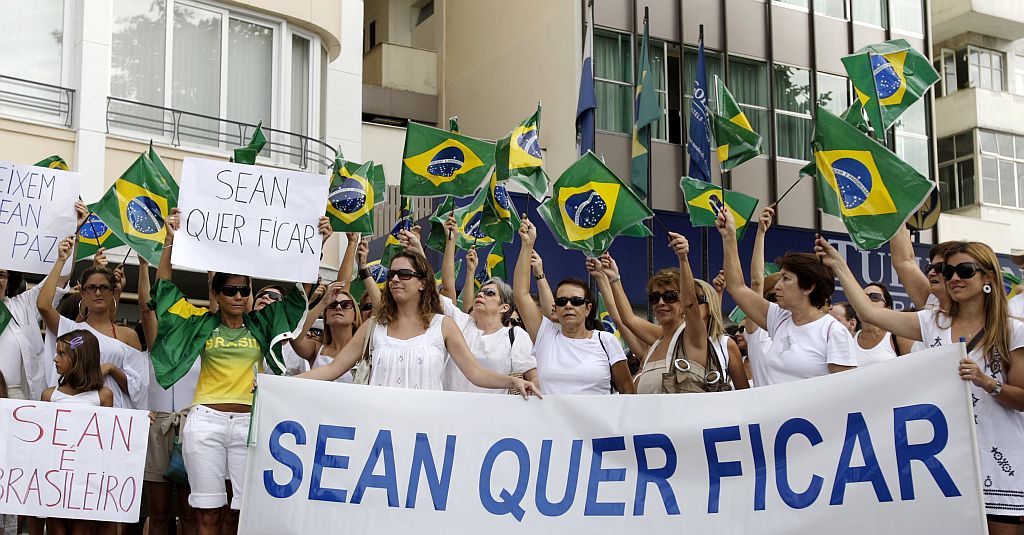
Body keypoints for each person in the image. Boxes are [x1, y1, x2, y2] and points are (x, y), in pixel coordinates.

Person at [817, 238, 1024, 533]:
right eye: (946, 271)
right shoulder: (932, 323)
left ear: (988, 277)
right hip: (946, 461)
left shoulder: (1013, 331)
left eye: (965, 270)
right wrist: (839, 265)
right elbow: (871, 314)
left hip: (1000, 463)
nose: (953, 278)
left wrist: (986, 382)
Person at [150, 208, 314, 535]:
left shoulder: (263, 323)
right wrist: (169, 239)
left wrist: (314, 246)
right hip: (204, 423)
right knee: (206, 516)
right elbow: (164, 294)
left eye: (245, 290)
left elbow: (300, 299)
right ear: (216, 293)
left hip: (249, 424)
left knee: (242, 515)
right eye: (231, 290)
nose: (239, 296)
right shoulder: (199, 323)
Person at [295, 249, 541, 397]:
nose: (395, 280)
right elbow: (330, 370)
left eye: (405, 275)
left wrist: (512, 381)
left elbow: (475, 373)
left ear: (423, 283)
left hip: (426, 432)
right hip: (378, 428)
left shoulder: (443, 326)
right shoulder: (374, 327)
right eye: (392, 275)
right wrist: (279, 384)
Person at [717, 208, 856, 384]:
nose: (777, 286)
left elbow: (848, 392)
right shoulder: (779, 318)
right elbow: (737, 287)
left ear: (808, 287)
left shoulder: (833, 332)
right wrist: (729, 237)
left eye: (786, 279)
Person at [513, 218, 635, 394]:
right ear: (556, 308)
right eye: (562, 302)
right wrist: (527, 244)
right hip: (551, 422)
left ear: (588, 308)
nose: (568, 306)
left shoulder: (606, 341)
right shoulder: (545, 336)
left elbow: (627, 391)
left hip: (597, 422)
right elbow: (521, 294)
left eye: (576, 301)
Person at [37, 237, 148, 409]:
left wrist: (111, 369)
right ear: (82, 292)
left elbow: (140, 387)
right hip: (73, 411)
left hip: (115, 415)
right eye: (91, 287)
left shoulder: (128, 335)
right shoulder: (72, 332)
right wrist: (61, 260)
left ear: (113, 291)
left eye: (104, 288)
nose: (98, 293)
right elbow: (43, 306)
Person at [135, 255, 199, 535]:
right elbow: (146, 306)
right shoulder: (155, 344)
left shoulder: (203, 345)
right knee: (158, 512)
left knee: (189, 512)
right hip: (157, 426)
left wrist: (213, 274)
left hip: (192, 426)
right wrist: (144, 266)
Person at [595, 234, 706, 394]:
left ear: (682, 300)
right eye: (655, 298)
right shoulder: (658, 339)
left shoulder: (692, 336)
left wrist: (683, 258)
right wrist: (614, 278)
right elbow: (628, 319)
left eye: (670, 296)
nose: (661, 302)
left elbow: (690, 304)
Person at [0, 202, 85, 401]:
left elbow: (58, 281)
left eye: (2, 275)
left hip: (14, 398)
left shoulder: (20, 306)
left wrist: (75, 233)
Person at [41, 330, 114, 535]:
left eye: (62, 354)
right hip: (54, 477)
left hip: (86, 480)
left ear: (79, 359)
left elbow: (108, 439)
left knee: (81, 530)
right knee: (56, 529)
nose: (55, 358)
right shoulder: (49, 396)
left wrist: (141, 421)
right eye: (56, 352)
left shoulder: (103, 396)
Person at [851, 283, 914, 367]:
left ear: (887, 309)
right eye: (862, 297)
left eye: (875, 297)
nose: (865, 301)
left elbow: (913, 371)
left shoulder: (899, 338)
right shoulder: (849, 339)